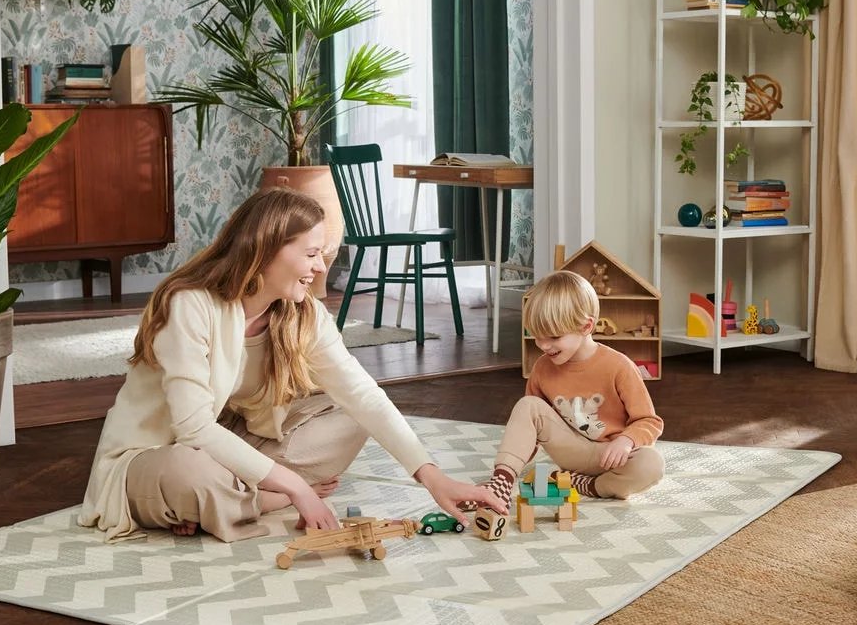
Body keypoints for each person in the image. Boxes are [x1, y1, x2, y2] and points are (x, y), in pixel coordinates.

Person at [79, 187, 503, 543]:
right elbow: (193, 430)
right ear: (266, 251)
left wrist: (432, 477)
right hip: (152, 457)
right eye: (312, 253)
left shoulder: (300, 314)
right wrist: (296, 488)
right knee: (188, 471)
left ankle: (226, 499)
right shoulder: (190, 304)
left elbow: (362, 395)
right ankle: (262, 498)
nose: (321, 267)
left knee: (352, 417)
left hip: (229, 445)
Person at [474, 270, 664, 512]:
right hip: (571, 451)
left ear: (586, 326)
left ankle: (592, 486)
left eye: (553, 337)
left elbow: (649, 421)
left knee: (652, 464)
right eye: (537, 337)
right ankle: (500, 482)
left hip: (612, 456)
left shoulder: (619, 366)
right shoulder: (542, 368)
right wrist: (513, 467)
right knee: (527, 405)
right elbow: (530, 425)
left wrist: (626, 442)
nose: (543, 346)